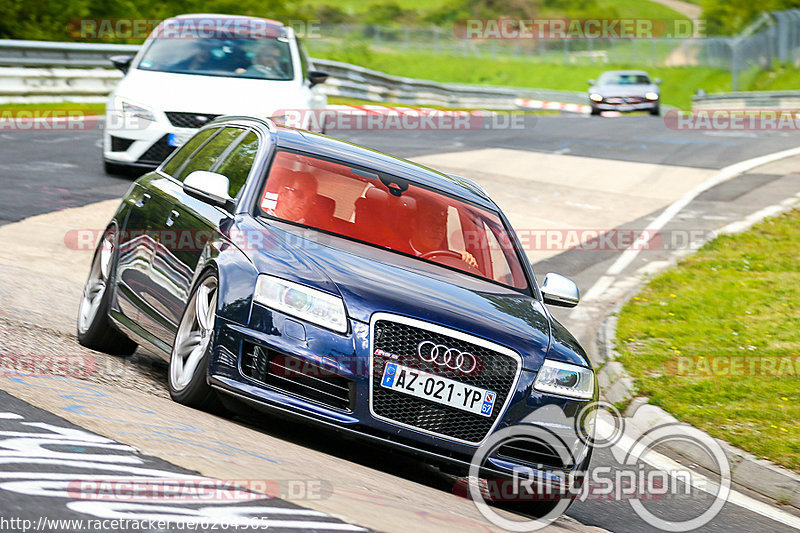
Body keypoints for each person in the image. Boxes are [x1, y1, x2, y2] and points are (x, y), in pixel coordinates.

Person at [409, 196, 478, 269]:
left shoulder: (450, 259)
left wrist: (465, 261)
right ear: (414, 223)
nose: (438, 228)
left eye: (443, 222)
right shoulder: (399, 253)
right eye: (431, 221)